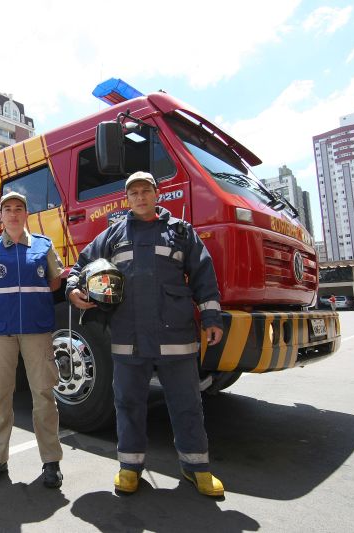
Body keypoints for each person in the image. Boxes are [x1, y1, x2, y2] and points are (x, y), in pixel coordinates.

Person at [67, 171, 225, 497]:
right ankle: (129, 467)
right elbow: (81, 265)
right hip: (128, 335)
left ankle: (196, 468)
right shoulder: (112, 236)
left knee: (187, 403)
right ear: (127, 199)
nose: (140, 197)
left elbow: (203, 276)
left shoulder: (181, 233)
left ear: (157, 194)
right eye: (134, 192)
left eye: (145, 191)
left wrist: (211, 316)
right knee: (128, 403)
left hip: (175, 335)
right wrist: (72, 289)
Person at [0, 191, 65, 488]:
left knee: (44, 396)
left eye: (18, 208)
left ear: (27, 213)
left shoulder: (44, 245)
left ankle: (51, 462)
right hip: (1, 331)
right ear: (0, 216)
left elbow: (55, 280)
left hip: (37, 330)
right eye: (7, 209)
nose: (12, 214)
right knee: (0, 396)